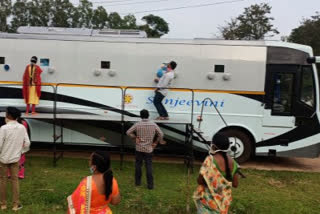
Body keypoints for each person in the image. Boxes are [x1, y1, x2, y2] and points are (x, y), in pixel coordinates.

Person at [193, 133, 239, 214]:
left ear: (214, 146)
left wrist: (211, 181)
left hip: (208, 203)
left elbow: (199, 181)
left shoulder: (209, 160)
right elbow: (235, 184)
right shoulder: (234, 163)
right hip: (223, 205)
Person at [0, 107, 30, 211]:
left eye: (6, 113)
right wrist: (21, 152)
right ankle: (15, 205)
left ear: (9, 116)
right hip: (15, 158)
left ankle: (3, 205)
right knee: (15, 180)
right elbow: (27, 143)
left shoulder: (3, 128)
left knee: (2, 180)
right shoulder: (22, 127)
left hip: (3, 158)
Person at [126, 109, 164, 189]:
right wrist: (155, 143)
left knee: (138, 165)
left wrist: (135, 137)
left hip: (139, 148)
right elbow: (161, 134)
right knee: (149, 166)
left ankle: (137, 183)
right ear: (148, 115)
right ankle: (150, 185)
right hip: (149, 149)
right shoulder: (153, 124)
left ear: (140, 116)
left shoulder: (137, 124)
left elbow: (128, 132)